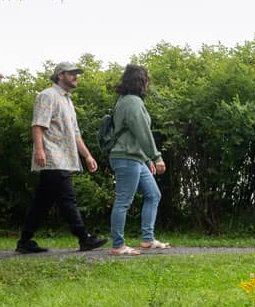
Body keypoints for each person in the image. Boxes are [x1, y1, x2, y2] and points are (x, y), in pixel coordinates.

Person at [17, 62, 106, 254]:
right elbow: (38, 125)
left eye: (77, 74)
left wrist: (88, 156)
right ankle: (84, 238)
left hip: (64, 158)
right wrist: (40, 151)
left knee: (41, 203)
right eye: (72, 73)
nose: (76, 76)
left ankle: (24, 241)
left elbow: (75, 134)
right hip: (52, 157)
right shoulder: (47, 95)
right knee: (67, 199)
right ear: (60, 76)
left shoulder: (67, 101)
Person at [106, 63, 168, 256]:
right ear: (141, 81)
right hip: (126, 158)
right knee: (124, 201)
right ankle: (118, 245)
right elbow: (142, 132)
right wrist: (156, 157)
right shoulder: (132, 102)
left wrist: (146, 159)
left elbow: (134, 135)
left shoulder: (126, 100)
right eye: (147, 80)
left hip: (135, 158)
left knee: (153, 194)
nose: (148, 84)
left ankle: (148, 239)